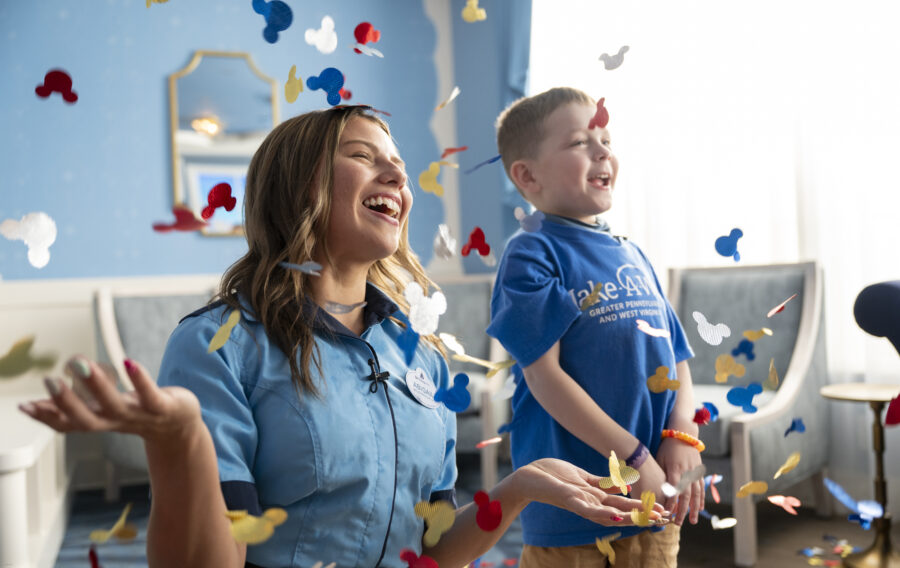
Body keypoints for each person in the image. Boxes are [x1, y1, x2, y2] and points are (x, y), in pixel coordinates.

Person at [18, 105, 660, 568]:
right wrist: (180, 441)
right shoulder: (217, 349)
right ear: (301, 186)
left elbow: (432, 554)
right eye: (363, 157)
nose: (397, 180)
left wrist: (518, 488)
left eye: (400, 168)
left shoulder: (420, 355)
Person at [487, 87, 703, 567]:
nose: (603, 151)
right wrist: (633, 458)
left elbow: (678, 359)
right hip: (575, 511)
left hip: (651, 505)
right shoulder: (531, 252)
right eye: (581, 142)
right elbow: (545, 378)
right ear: (528, 175)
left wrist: (680, 436)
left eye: (606, 139)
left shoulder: (633, 253)